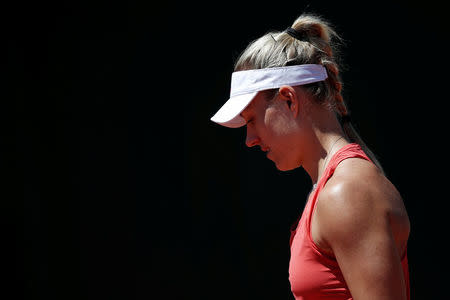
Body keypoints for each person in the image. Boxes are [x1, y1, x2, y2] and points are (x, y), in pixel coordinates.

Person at [210, 13, 410, 300]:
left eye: (251, 119)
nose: (249, 140)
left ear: (289, 100)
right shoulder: (334, 189)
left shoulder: (347, 192)